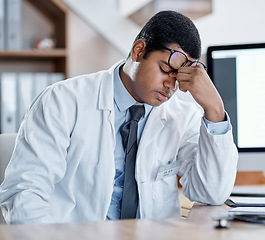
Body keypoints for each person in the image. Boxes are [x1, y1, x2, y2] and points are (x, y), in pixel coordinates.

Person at [0, 10, 238, 224]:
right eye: (166, 70)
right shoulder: (62, 101)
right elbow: (25, 195)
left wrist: (215, 110)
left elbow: (211, 193)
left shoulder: (182, 115)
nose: (171, 85)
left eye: (179, 78)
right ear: (138, 51)